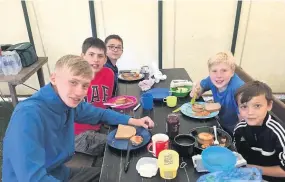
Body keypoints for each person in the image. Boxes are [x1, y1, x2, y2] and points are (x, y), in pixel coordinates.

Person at [2, 55, 154, 182]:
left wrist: (135, 121)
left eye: (85, 85)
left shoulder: (68, 103)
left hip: (60, 173)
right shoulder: (27, 116)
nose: (79, 92)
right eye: (73, 82)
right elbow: (33, 178)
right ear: (54, 78)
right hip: (41, 178)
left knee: (114, 177)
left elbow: (100, 113)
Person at [234, 81, 285, 182]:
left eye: (257, 106)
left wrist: (252, 168)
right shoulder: (239, 129)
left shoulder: (278, 133)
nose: (250, 113)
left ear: (269, 105)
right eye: (244, 106)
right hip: (247, 175)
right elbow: (238, 154)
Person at [190, 52, 244, 134]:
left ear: (232, 72)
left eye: (224, 70)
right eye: (214, 71)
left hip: (233, 130)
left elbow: (243, 121)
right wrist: (196, 92)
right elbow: (201, 86)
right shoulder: (213, 79)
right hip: (218, 123)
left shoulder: (238, 90)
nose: (218, 75)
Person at [75, 37, 114, 135]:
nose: (96, 60)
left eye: (100, 56)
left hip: (100, 125)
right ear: (82, 57)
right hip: (78, 133)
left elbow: (107, 102)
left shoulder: (109, 74)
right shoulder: (74, 78)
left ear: (105, 59)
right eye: (91, 55)